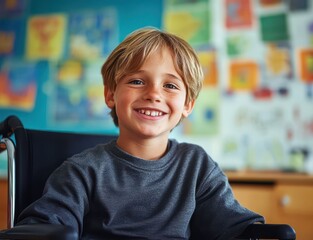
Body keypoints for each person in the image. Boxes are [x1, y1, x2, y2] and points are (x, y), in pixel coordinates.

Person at [17, 27, 264, 239]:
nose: (153, 94)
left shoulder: (197, 166)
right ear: (110, 95)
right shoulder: (82, 171)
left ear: (188, 105)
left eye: (170, 85)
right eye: (137, 81)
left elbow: (235, 227)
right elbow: (45, 226)